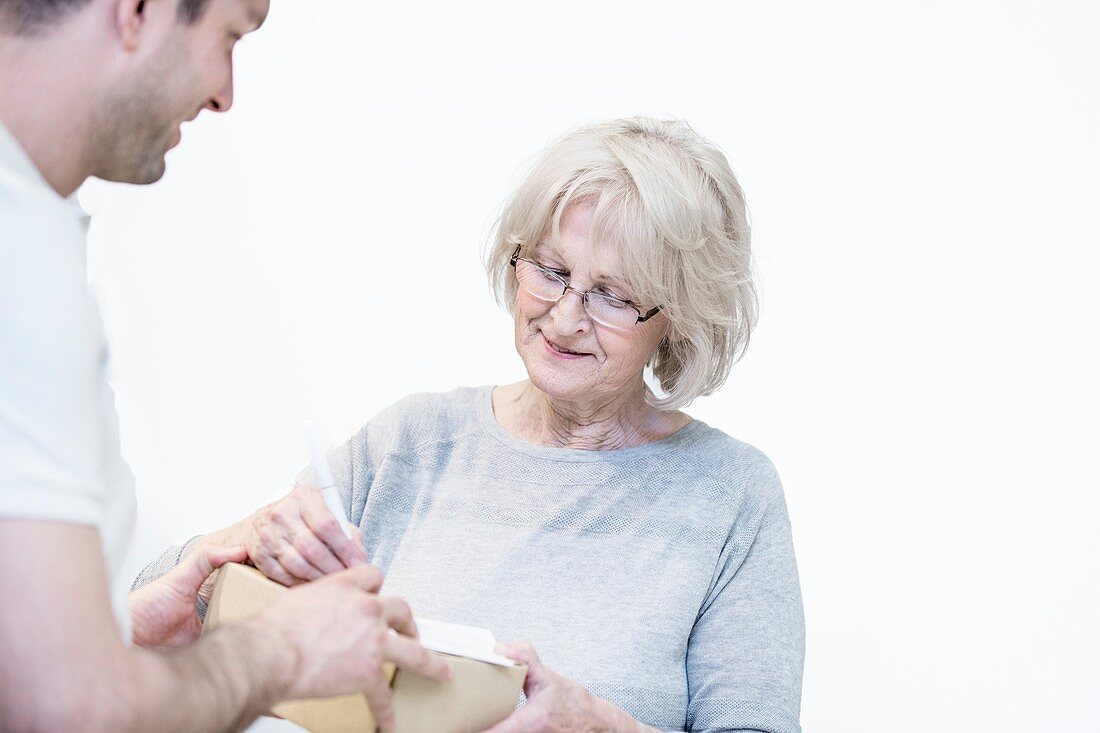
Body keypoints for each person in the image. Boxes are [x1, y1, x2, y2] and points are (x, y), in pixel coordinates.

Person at [138, 116, 806, 732]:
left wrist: (604, 727)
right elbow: (151, 615)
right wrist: (250, 539)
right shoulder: (410, 443)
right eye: (550, 270)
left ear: (680, 316)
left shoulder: (731, 495)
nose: (566, 316)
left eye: (614, 295)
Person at [0, 1, 450, 731]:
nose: (224, 92)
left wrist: (120, 630)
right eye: (231, 37)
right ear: (137, 11)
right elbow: (68, 707)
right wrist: (282, 649)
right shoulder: (20, 265)